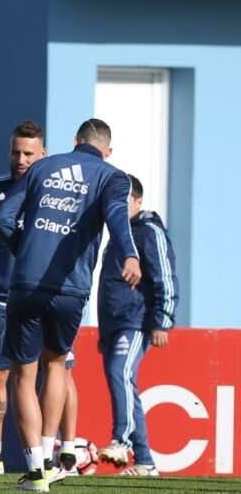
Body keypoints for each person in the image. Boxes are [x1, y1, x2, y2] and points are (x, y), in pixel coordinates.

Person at [0, 118, 141, 492]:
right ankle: (51, 455)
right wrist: (129, 255)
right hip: (70, 289)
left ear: (75, 141)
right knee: (57, 366)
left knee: (23, 377)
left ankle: (35, 470)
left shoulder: (43, 166)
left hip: (26, 284)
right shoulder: (113, 177)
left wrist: (24, 249)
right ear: (107, 151)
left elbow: (4, 216)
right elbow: (116, 219)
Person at [0, 121, 81, 479]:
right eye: (15, 151)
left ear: (43, 154)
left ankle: (67, 454)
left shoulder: (59, 193)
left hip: (48, 294)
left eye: (29, 153)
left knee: (59, 370)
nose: (20, 159)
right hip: (0, 297)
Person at [96, 174, 178, 477]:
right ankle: (145, 461)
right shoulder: (118, 237)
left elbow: (165, 276)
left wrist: (162, 321)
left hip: (137, 321)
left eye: (124, 199)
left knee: (121, 373)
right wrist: (105, 331)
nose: (118, 206)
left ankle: (122, 440)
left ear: (138, 201)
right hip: (115, 325)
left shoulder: (149, 231)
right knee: (124, 382)